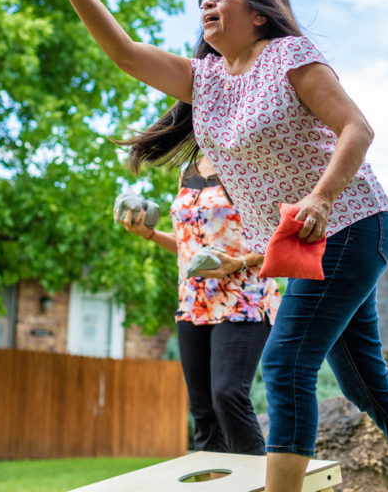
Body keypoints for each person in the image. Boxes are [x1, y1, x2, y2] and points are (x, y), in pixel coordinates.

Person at [5, 0, 388, 492]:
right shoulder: (204, 81)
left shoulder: (290, 56)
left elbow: (358, 128)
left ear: (259, 11)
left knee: (285, 365)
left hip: (353, 223)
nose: (208, 3)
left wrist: (322, 197)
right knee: (365, 382)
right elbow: (123, 52)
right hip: (301, 244)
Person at [117, 153, 279, 455]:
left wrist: (239, 263)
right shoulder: (187, 170)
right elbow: (187, 245)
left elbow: (278, 238)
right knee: (203, 412)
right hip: (193, 303)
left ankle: (262, 485)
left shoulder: (249, 161)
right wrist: (149, 234)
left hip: (242, 298)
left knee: (228, 394)